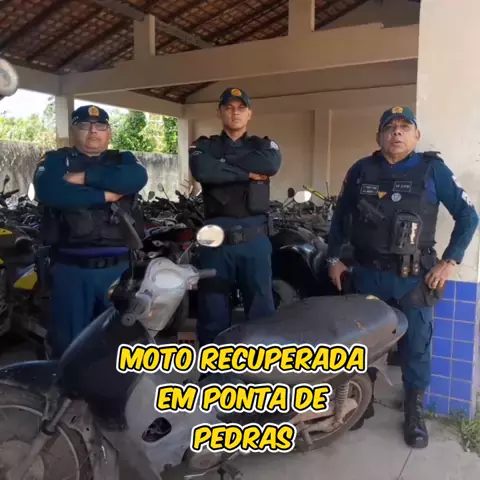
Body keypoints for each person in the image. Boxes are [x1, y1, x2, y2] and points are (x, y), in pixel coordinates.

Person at [326, 106, 479, 448]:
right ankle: (360, 403)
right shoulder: (361, 170)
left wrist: (450, 261)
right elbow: (340, 219)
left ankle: (414, 411)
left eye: (404, 127)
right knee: (361, 344)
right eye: (389, 127)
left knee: (416, 346)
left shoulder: (433, 170)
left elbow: (469, 216)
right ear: (379, 136)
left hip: (414, 278)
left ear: (416, 135)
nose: (396, 132)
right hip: (367, 274)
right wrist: (333, 259)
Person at [34, 105, 148, 358]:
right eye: (84, 125)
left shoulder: (124, 160)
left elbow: (135, 179)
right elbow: (50, 191)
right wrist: (104, 195)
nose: (93, 131)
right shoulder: (55, 160)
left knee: (118, 348)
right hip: (71, 271)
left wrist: (82, 178)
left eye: (100, 126)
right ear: (73, 130)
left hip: (118, 273)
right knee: (68, 347)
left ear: (109, 132)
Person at [189, 87, 282, 347]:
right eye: (228, 107)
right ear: (219, 112)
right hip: (215, 243)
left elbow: (270, 165)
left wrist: (223, 165)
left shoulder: (263, 146)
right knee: (212, 312)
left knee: (261, 312)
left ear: (249, 114)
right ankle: (213, 367)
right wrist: (246, 174)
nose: (235, 113)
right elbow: (202, 170)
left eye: (241, 108)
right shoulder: (204, 146)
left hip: (255, 240)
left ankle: (260, 367)